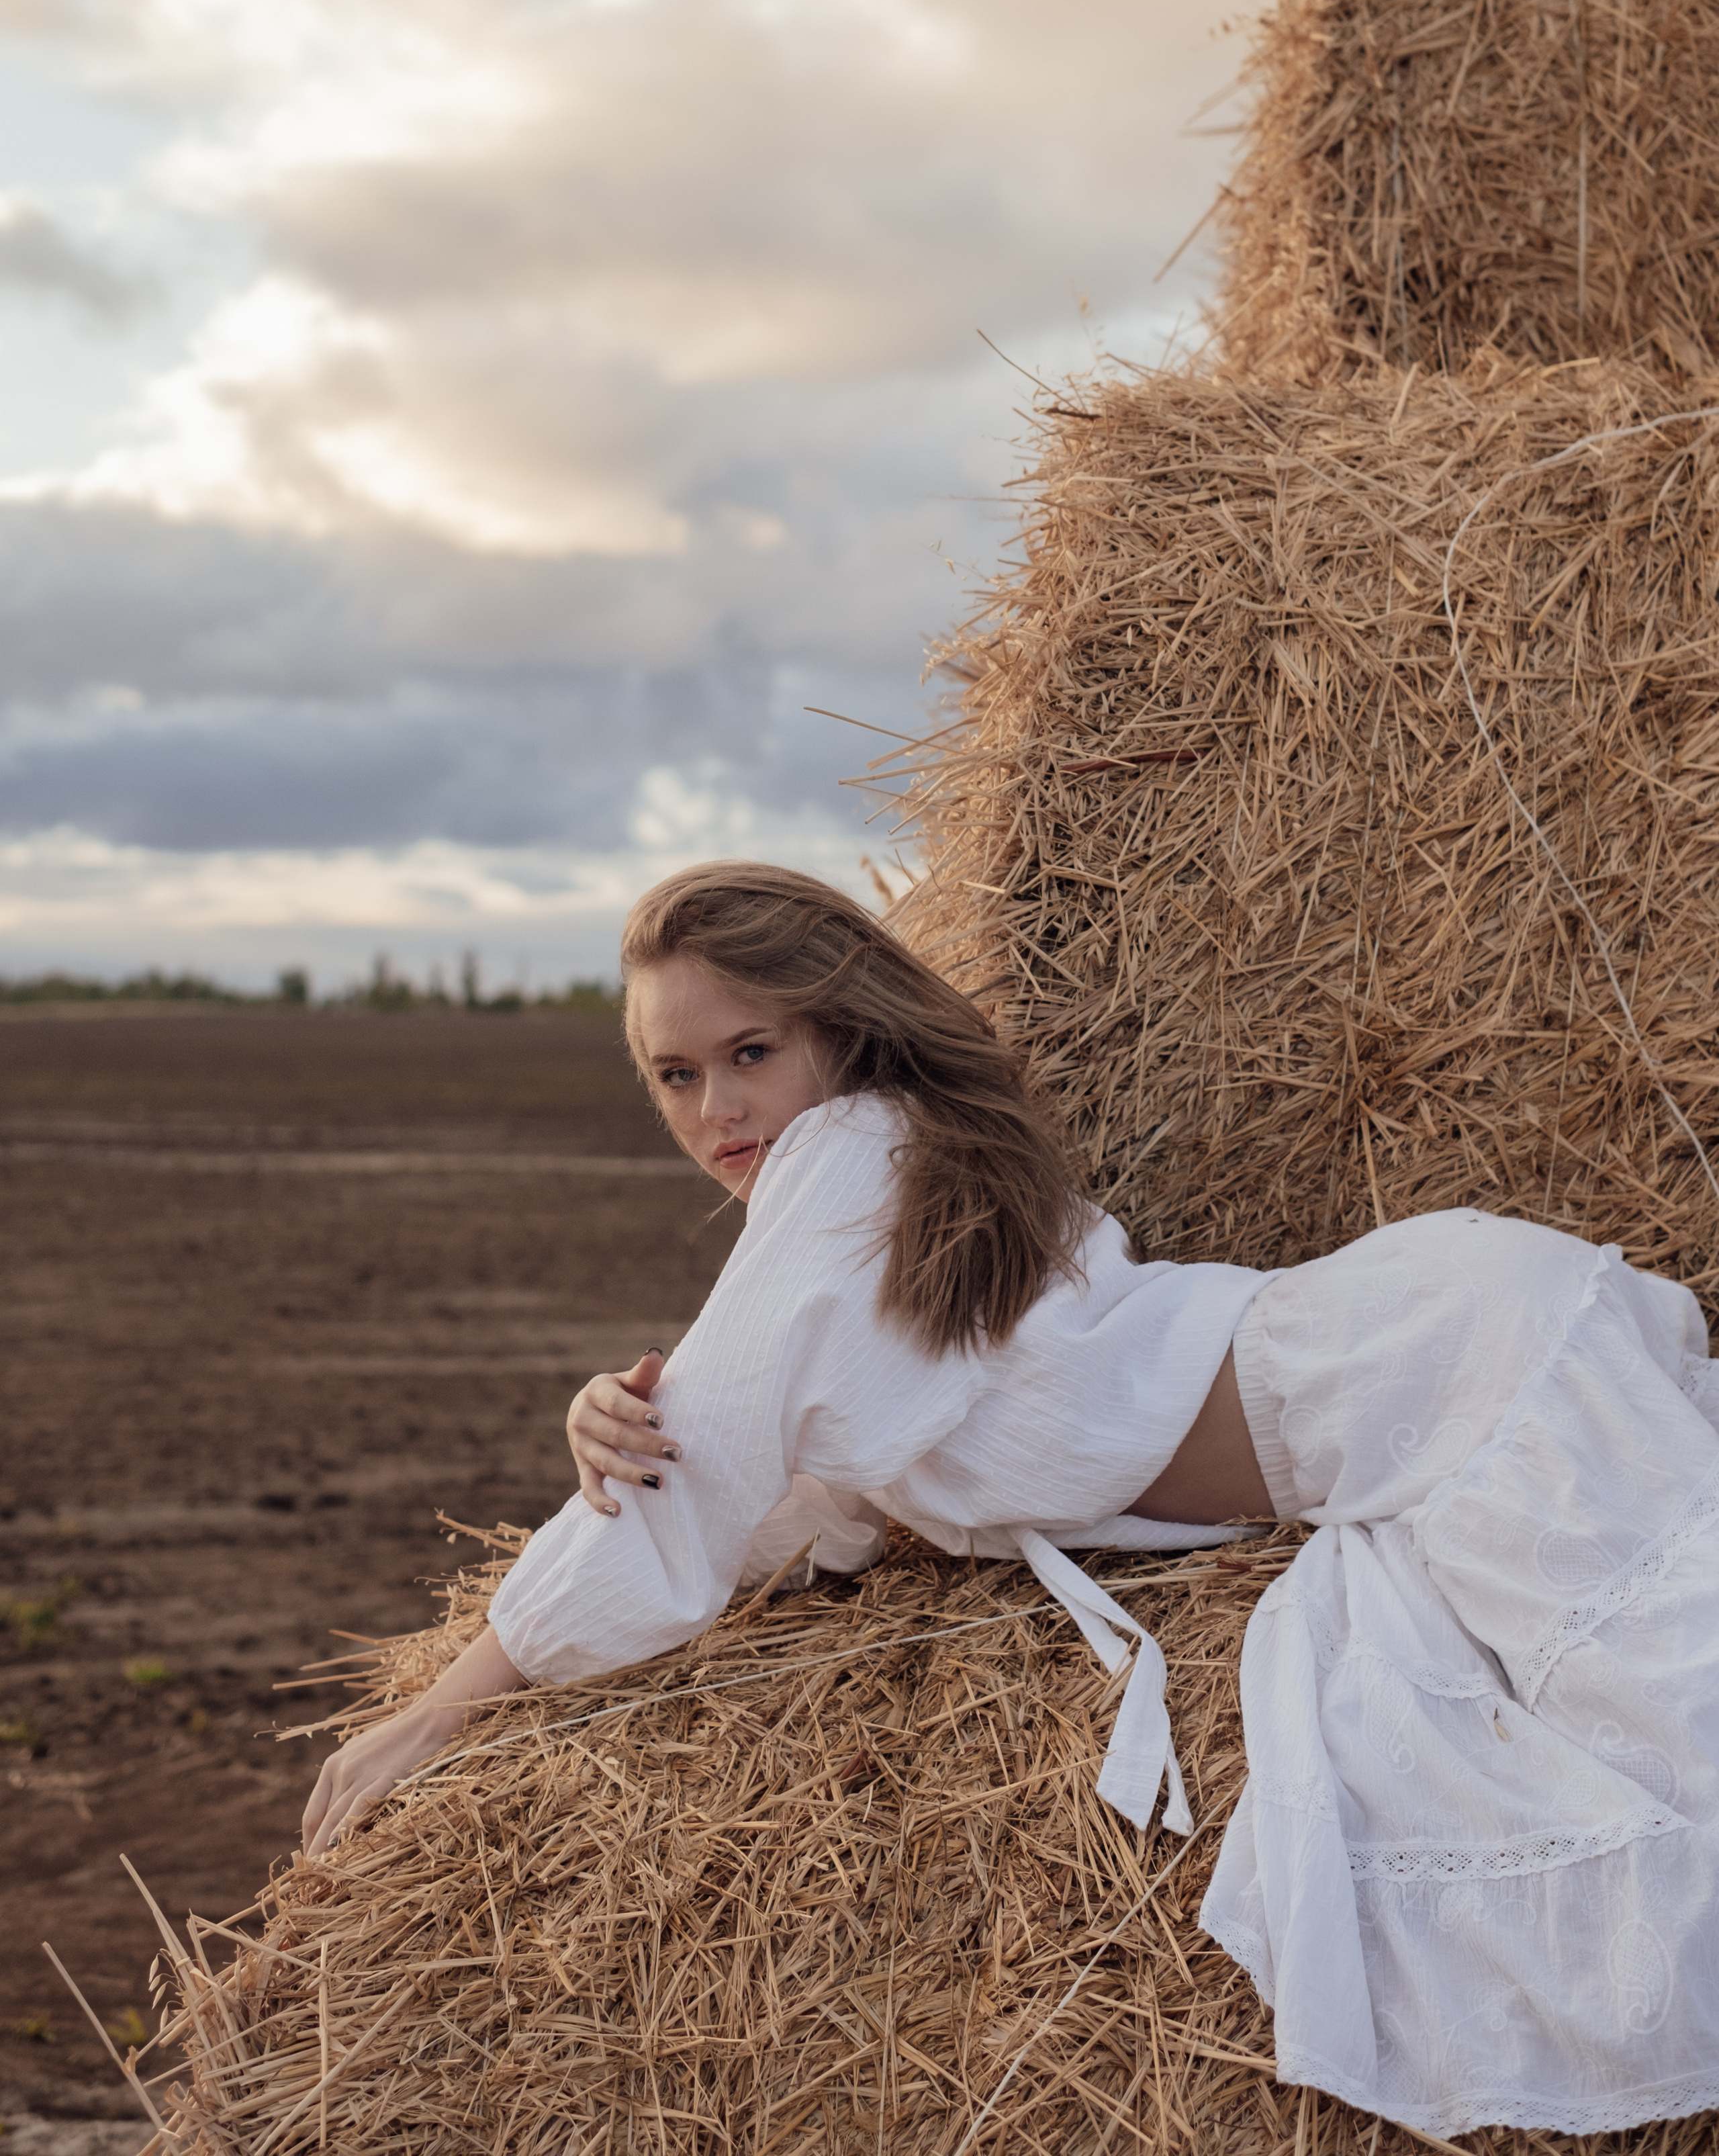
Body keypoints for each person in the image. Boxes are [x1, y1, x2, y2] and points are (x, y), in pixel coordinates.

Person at [301, 860, 1719, 2142]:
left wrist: (451, 1701)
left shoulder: (847, 1157)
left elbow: (706, 1483)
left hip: (1445, 1367)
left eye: (749, 1054)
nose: (716, 1110)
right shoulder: (888, 1163)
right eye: (672, 1075)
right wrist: (610, 1421)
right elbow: (785, 1489)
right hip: (1419, 1343)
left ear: (835, 1033)